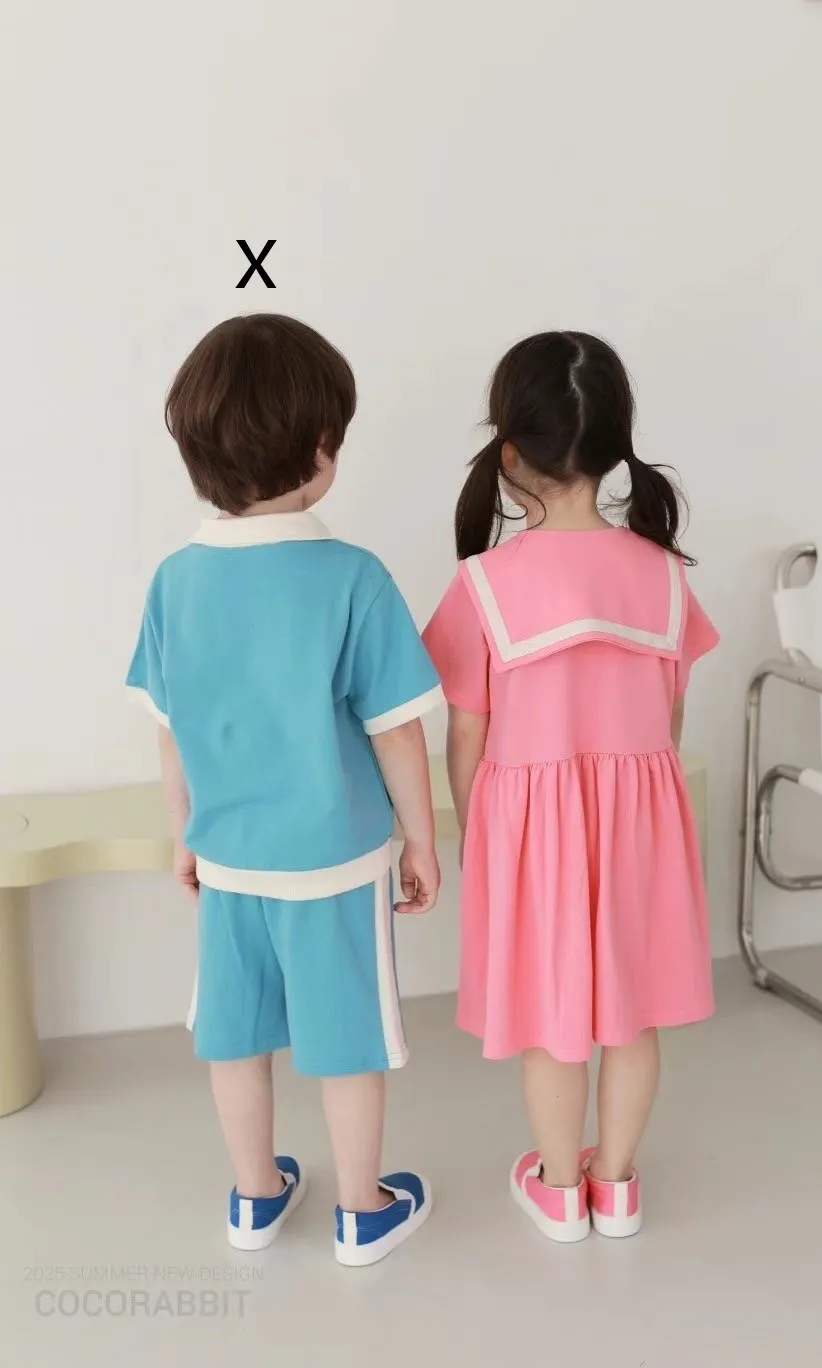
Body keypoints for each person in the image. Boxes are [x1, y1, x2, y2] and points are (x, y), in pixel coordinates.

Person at [127, 314, 441, 1266]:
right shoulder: (352, 577)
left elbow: (171, 730)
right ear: (320, 448)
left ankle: (255, 1198)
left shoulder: (175, 581)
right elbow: (397, 730)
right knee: (348, 1043)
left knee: (235, 1039)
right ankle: (362, 1210)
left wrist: (185, 835)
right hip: (334, 860)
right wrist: (422, 840)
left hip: (227, 860)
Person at [423, 331, 718, 1243]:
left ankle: (558, 1191)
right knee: (632, 1012)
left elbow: (466, 733)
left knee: (554, 1018)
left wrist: (478, 828)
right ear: (615, 446)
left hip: (532, 832)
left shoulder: (484, 584)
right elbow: (669, 715)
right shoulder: (664, 574)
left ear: (510, 452)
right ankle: (616, 1186)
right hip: (642, 823)